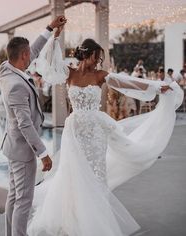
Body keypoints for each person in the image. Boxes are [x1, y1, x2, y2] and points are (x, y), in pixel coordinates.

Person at [27, 26, 183, 235]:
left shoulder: (101, 75)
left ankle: (96, 223)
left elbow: (128, 83)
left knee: (96, 175)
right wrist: (54, 35)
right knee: (73, 174)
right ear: (88, 54)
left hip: (95, 132)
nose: (99, 61)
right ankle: (75, 219)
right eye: (97, 57)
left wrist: (155, 87)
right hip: (74, 132)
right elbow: (50, 64)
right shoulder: (68, 72)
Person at [0, 16, 67, 236]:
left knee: (14, 195)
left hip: (12, 146)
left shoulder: (6, 67)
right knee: (24, 200)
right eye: (29, 54)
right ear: (24, 56)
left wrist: (49, 28)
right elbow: (25, 124)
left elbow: (34, 50)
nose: (32, 56)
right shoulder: (16, 86)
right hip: (23, 150)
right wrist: (43, 153)